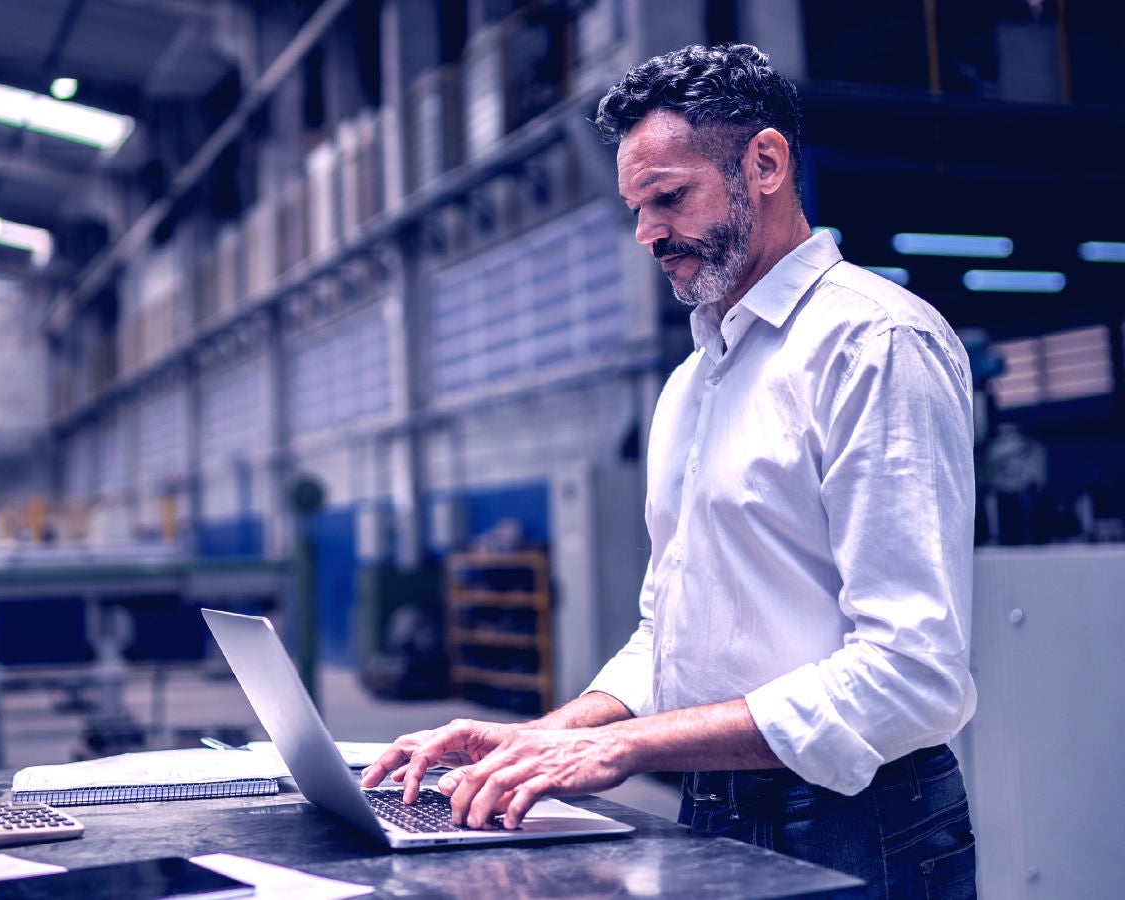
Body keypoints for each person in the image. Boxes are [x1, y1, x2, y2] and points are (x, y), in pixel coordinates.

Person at [362, 43, 978, 898]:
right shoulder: (696, 381)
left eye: (670, 198)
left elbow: (912, 675)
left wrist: (624, 748)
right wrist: (546, 734)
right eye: (637, 207)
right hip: (713, 805)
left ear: (764, 163)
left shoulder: (874, 346)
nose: (648, 232)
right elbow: (670, 638)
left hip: (859, 825)